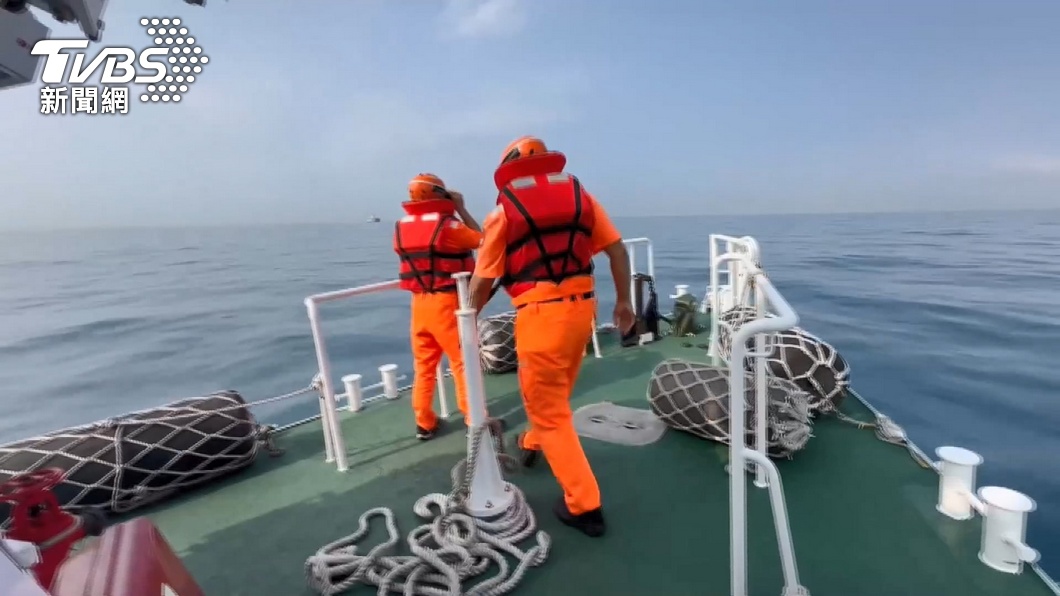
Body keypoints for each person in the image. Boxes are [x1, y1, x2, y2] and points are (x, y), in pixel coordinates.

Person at [467, 136, 635, 537]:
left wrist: (467, 319)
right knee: (554, 397)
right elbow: (618, 251)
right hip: (583, 310)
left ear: (509, 170)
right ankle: (533, 443)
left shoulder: (502, 214)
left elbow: (484, 279)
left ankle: (584, 506)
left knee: (548, 410)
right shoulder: (583, 198)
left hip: (541, 316)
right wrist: (625, 303)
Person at [394, 173, 483, 440]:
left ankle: (424, 422)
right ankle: (473, 418)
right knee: (462, 363)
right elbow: (482, 239)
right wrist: (461, 208)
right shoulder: (448, 227)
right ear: (441, 196)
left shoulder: (401, 226)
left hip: (418, 304)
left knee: (424, 366)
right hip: (447, 303)